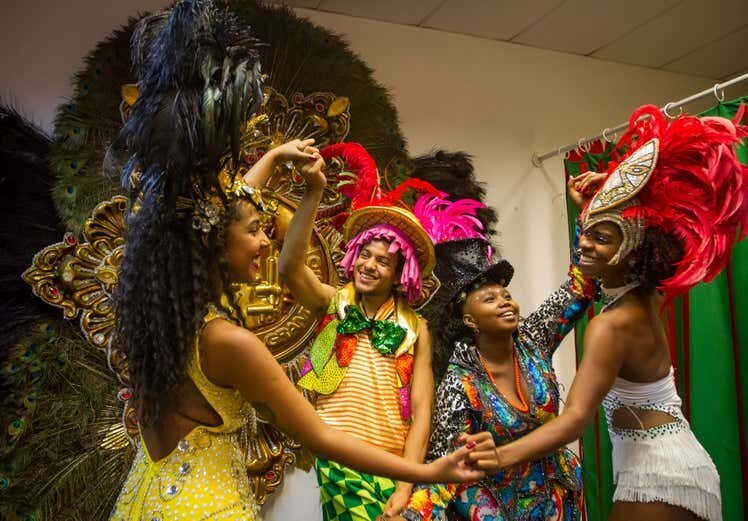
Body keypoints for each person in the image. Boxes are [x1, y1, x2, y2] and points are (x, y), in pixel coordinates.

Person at [107, 2, 483, 520]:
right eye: (258, 231)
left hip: (150, 496)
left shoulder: (163, 318)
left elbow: (223, 213)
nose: (265, 242)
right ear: (215, 241)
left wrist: (274, 158)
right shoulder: (230, 343)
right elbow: (319, 437)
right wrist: (427, 473)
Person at [485, 105, 748, 521]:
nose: (585, 244)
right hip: (674, 465)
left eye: (600, 237)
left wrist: (496, 459)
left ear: (632, 251)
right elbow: (597, 265)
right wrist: (597, 201)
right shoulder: (644, 295)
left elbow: (573, 420)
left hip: (658, 474)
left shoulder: (611, 325)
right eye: (585, 231)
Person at [392, 182, 599, 520]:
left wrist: (586, 214)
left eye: (505, 295)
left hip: (560, 501)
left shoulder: (533, 338)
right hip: (501, 509)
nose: (505, 302)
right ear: (469, 319)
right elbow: (444, 469)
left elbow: (580, 285)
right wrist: (410, 515)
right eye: (490, 299)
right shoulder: (460, 385)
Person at [277, 141, 439, 521]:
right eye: (365, 255)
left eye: (383, 261)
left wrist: (405, 485)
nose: (369, 265)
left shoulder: (416, 328)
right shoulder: (334, 303)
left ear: (401, 274)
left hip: (388, 468)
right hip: (331, 460)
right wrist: (313, 192)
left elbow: (421, 410)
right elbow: (289, 268)